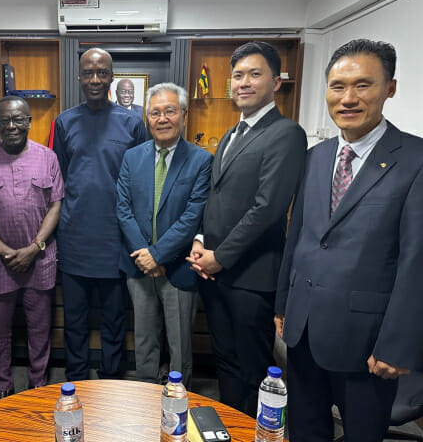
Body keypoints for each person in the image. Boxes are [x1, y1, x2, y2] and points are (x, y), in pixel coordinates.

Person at [275, 39, 423, 441]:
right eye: (338, 86)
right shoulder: (317, 155)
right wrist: (283, 304)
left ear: (389, 88)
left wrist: (399, 344)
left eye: (363, 85)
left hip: (368, 341)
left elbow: (416, 263)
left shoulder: (415, 159)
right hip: (303, 330)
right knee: (304, 430)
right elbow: (300, 235)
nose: (348, 98)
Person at [187, 41, 306, 416]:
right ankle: (229, 426)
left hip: (252, 277)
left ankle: (256, 432)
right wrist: (201, 239)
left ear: (276, 82)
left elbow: (267, 209)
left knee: (254, 367)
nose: (244, 82)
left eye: (255, 74)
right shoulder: (231, 134)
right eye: (238, 75)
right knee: (225, 358)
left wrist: (220, 257)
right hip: (217, 273)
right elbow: (216, 197)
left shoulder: (286, 134)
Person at [53, 48, 147, 381]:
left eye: (102, 73)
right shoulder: (64, 122)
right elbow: (59, 179)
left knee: (113, 318)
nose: (95, 79)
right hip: (75, 236)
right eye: (89, 73)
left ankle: (111, 379)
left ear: (111, 76)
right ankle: (75, 377)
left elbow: (141, 180)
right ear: (79, 77)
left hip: (116, 239)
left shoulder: (133, 123)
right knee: (75, 317)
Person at [0, 96, 63, 401]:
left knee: (39, 325)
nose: (12, 126)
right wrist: (5, 251)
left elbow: (56, 205)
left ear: (29, 122)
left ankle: (38, 382)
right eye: (4, 120)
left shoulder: (48, 157)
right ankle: (2, 384)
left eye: (19, 119)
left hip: (40, 258)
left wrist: (34, 248)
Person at [116, 83, 212, 387]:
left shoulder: (201, 160)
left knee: (179, 341)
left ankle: (178, 396)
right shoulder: (132, 157)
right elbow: (123, 209)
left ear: (183, 114)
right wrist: (145, 255)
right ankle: (144, 391)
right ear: (147, 118)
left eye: (169, 111)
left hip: (179, 267)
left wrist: (157, 255)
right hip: (138, 265)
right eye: (154, 113)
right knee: (143, 337)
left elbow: (192, 215)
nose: (162, 118)